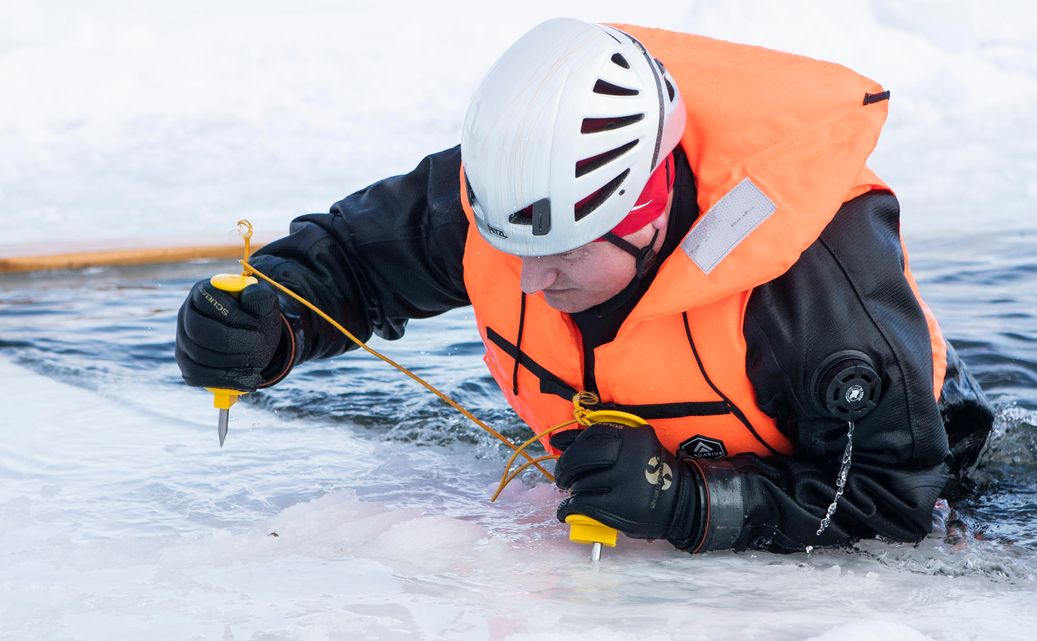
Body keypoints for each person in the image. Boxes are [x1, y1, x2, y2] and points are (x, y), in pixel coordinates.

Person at [175, 19, 993, 553]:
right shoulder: (510, 200)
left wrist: (691, 505)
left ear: (643, 215)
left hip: (895, 455)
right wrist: (270, 320)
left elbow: (895, 501)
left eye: (562, 253)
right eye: (509, 246)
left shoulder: (818, 288)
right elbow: (353, 260)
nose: (528, 278)